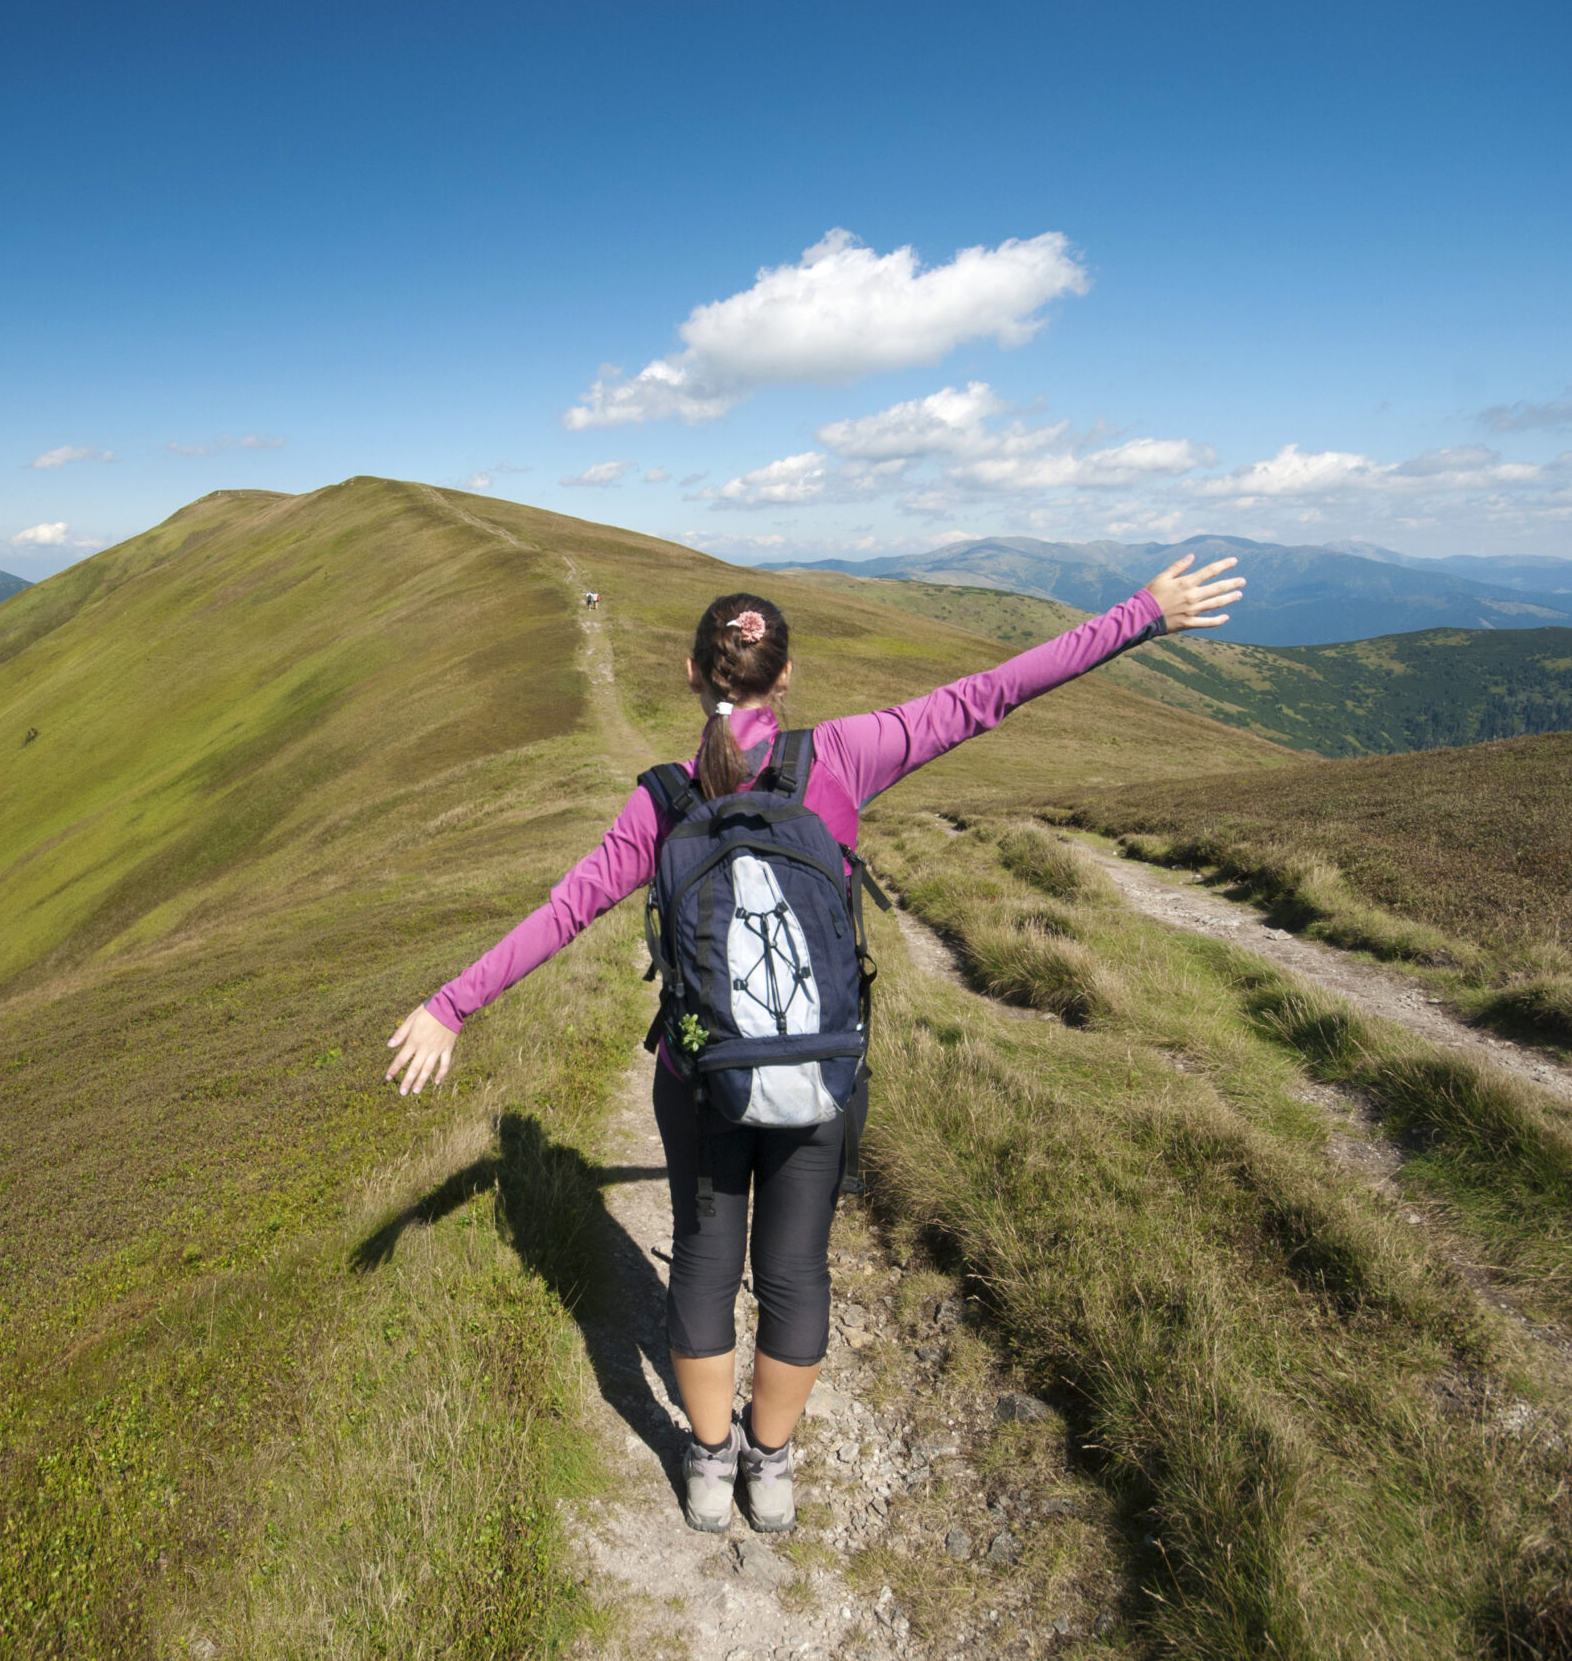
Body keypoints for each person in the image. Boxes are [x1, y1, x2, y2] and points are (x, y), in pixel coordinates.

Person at [386, 554, 1246, 1533]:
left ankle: (706, 1466)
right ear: (782, 679)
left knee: (706, 1261)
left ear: (690, 674)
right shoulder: (841, 755)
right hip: (817, 1073)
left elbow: (565, 911)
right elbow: (994, 693)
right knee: (793, 1267)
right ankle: (772, 1464)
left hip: (701, 1078)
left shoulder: (661, 800)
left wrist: (450, 1006)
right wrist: (1141, 615)